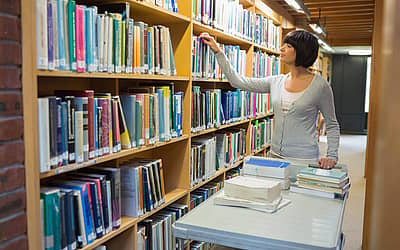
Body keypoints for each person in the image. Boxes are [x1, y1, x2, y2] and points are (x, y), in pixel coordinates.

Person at [199, 30, 340, 169]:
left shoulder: (321, 86)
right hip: (275, 156)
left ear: (302, 51)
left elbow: (332, 124)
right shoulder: (276, 82)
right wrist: (218, 51)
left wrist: (332, 156)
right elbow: (238, 82)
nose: (282, 48)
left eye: (289, 46)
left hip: (304, 159)